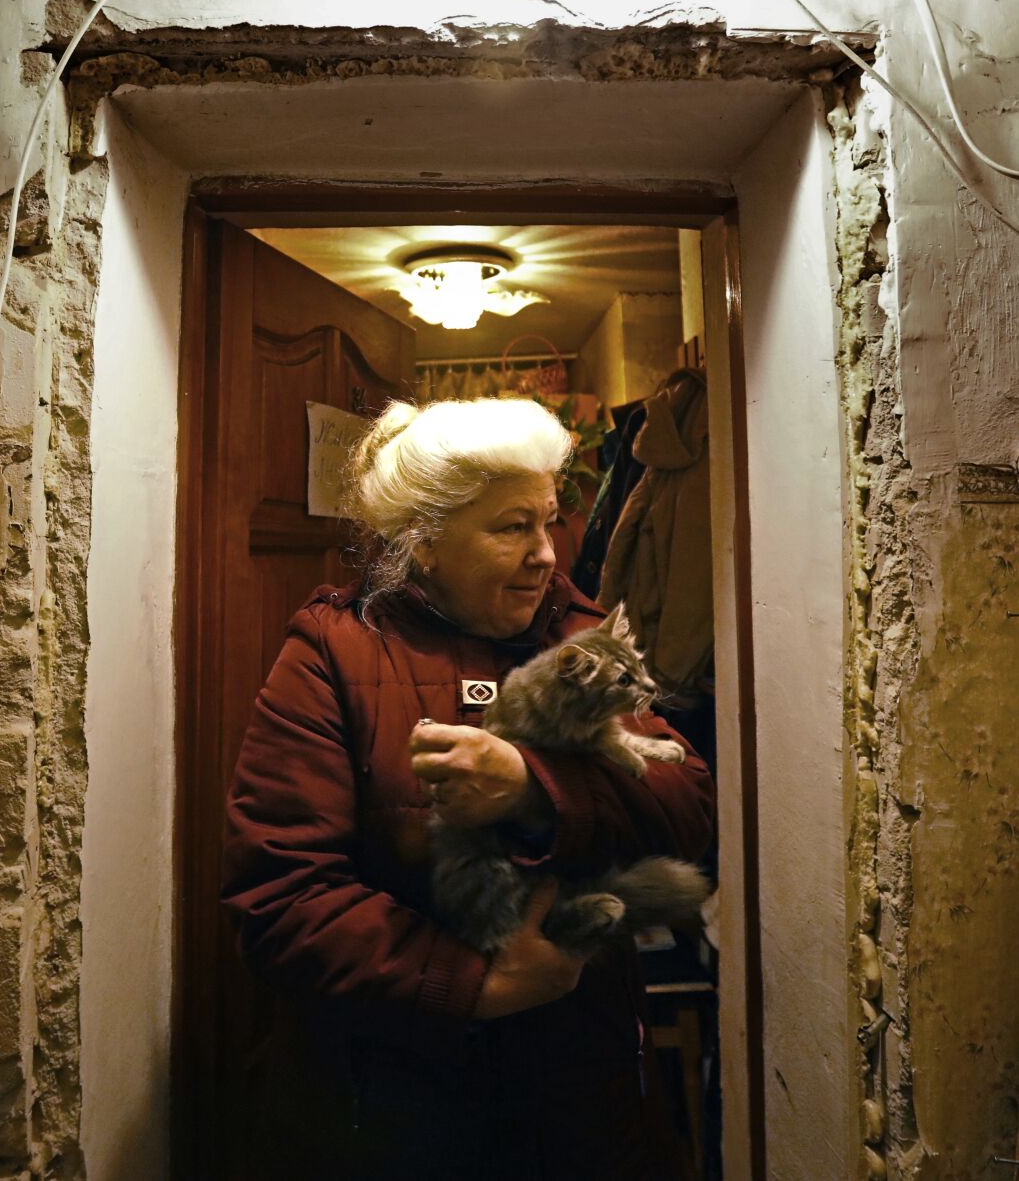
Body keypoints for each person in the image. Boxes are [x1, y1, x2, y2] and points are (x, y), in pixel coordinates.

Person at [222, 396, 716, 1181]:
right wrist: (473, 983)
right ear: (424, 545)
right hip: (390, 1111)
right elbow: (282, 894)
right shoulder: (331, 652)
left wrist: (535, 789)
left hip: (580, 1107)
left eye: (549, 520)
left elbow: (689, 808)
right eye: (512, 527)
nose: (548, 553)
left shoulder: (575, 635)